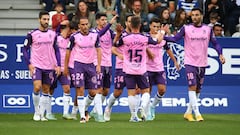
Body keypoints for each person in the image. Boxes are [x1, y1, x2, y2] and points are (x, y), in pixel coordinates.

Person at [164, 8, 225, 122]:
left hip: (202, 63)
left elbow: (215, 43)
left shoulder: (207, 29)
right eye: (193, 15)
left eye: (197, 15)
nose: (194, 17)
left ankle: (188, 112)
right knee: (192, 87)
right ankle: (197, 113)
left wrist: (220, 54)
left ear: (201, 16)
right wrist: (163, 37)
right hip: (190, 62)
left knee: (197, 90)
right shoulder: (186, 28)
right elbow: (175, 39)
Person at [114, 15, 165, 122]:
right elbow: (158, 41)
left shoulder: (125, 38)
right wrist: (163, 32)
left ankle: (133, 116)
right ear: (140, 25)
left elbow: (115, 44)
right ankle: (143, 106)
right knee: (146, 92)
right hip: (141, 69)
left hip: (129, 69)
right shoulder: (144, 38)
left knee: (131, 93)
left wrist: (118, 34)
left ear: (130, 25)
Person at [23, 11, 61, 121]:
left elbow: (57, 50)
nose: (46, 21)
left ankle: (42, 114)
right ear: (39, 20)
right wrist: (29, 64)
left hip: (49, 66)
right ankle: (36, 111)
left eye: (47, 19)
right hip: (36, 65)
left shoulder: (53, 34)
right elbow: (25, 49)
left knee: (46, 90)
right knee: (37, 87)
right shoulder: (32, 34)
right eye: (44, 19)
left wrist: (58, 65)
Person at [64, 16, 103, 123]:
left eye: (86, 24)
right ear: (79, 26)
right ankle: (82, 116)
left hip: (91, 65)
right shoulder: (74, 37)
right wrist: (66, 67)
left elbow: (99, 50)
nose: (85, 26)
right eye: (83, 24)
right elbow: (68, 52)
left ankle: (82, 109)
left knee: (93, 92)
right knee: (80, 90)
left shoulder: (95, 36)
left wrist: (98, 65)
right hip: (78, 65)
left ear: (89, 24)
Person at [104, 13, 142, 122]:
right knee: (118, 92)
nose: (130, 24)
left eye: (132, 21)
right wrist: (119, 55)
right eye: (129, 21)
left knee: (137, 90)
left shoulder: (138, 35)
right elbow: (113, 48)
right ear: (126, 23)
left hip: (135, 67)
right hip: (122, 67)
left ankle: (134, 115)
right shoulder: (121, 34)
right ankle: (108, 107)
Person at [146, 17, 180, 121]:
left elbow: (168, 49)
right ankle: (147, 110)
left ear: (160, 27)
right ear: (150, 26)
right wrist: (148, 51)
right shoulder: (145, 37)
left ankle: (152, 106)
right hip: (147, 68)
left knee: (162, 90)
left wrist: (174, 61)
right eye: (154, 26)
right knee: (147, 92)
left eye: (158, 26)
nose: (155, 28)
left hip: (159, 68)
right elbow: (144, 46)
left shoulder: (163, 38)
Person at [88, 13, 117, 121]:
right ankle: (98, 114)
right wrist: (109, 24)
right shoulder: (93, 32)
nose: (104, 21)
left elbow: (116, 42)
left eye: (106, 20)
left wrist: (118, 33)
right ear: (97, 21)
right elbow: (99, 34)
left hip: (108, 64)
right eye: (102, 20)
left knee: (106, 91)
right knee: (98, 89)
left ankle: (93, 110)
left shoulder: (109, 32)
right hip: (98, 63)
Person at [48, 20, 73, 120]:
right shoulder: (56, 37)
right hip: (54, 68)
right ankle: (48, 113)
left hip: (65, 69)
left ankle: (66, 113)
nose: (70, 32)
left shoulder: (71, 40)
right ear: (65, 29)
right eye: (69, 29)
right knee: (50, 90)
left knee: (67, 89)